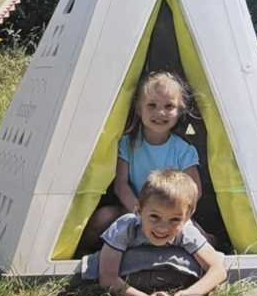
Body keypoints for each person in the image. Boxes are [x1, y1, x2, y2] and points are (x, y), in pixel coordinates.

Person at [76, 70, 202, 256]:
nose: (160, 112)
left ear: (180, 110)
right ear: (138, 108)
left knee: (202, 238)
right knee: (102, 218)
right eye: (152, 105)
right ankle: (84, 254)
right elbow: (121, 185)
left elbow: (195, 190)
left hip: (170, 216)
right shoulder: (127, 144)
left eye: (169, 106)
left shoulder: (184, 150)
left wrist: (171, 216)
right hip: (133, 210)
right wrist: (141, 213)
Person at [79, 170, 227, 296]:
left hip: (175, 277)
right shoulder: (126, 227)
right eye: (154, 217)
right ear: (139, 210)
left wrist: (188, 295)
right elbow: (108, 277)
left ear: (188, 216)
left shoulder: (186, 230)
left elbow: (218, 269)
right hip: (129, 275)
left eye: (175, 219)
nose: (163, 227)